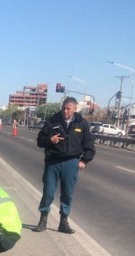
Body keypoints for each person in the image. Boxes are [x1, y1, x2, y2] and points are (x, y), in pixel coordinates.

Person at [35, 97, 95, 234]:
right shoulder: (52, 121)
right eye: (64, 108)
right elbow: (39, 141)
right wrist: (50, 140)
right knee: (48, 191)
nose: (65, 111)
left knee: (67, 193)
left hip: (71, 162)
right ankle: (43, 220)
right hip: (53, 161)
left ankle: (63, 222)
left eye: (68, 109)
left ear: (75, 109)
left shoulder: (82, 123)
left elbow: (89, 145)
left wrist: (84, 160)